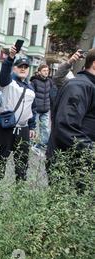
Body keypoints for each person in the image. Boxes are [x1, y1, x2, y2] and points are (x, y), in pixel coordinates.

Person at [46, 49, 95, 190]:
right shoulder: (80, 86)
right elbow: (65, 127)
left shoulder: (88, 85)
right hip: (68, 164)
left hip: (81, 161)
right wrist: (92, 150)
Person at [0, 45, 36, 182]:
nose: (23, 68)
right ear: (14, 68)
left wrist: (32, 126)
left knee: (22, 163)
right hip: (6, 128)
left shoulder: (30, 88)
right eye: (20, 66)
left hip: (23, 129)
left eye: (25, 66)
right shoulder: (8, 82)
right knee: (0, 161)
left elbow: (32, 108)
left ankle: (19, 192)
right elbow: (4, 71)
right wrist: (10, 57)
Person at [30, 64, 56, 156]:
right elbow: (31, 95)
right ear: (39, 71)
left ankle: (42, 144)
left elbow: (53, 95)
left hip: (46, 109)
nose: (46, 72)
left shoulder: (50, 81)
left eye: (47, 70)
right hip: (36, 109)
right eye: (44, 70)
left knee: (45, 127)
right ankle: (31, 145)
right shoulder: (34, 81)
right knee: (34, 128)